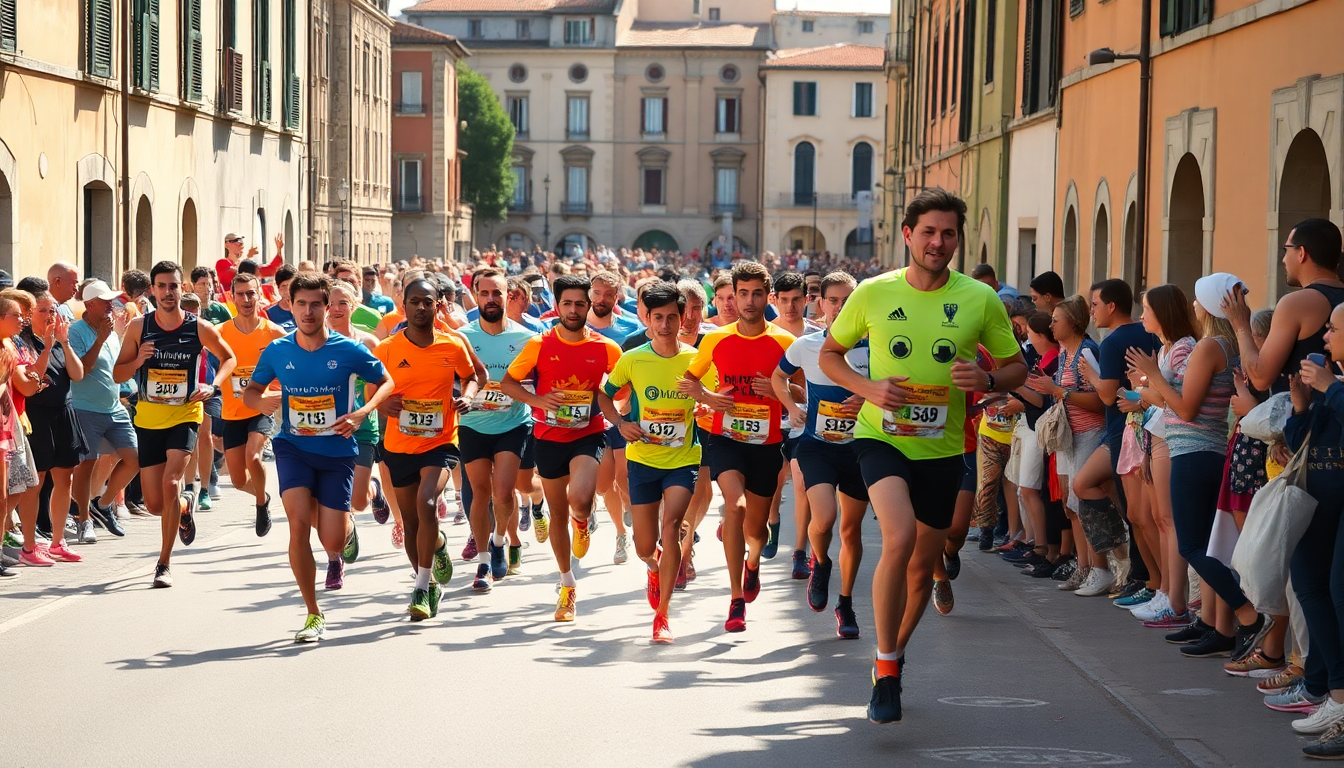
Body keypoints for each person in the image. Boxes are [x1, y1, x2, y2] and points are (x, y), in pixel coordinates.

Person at [818, 189, 1025, 724]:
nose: (938, 242)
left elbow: (1015, 369)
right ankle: (885, 669)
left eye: (948, 233)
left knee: (920, 573)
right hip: (880, 436)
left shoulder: (980, 299)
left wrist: (987, 379)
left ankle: (892, 656)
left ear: (958, 239)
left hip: (942, 446)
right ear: (908, 234)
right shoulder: (872, 292)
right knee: (900, 537)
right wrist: (868, 389)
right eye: (929, 231)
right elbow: (830, 355)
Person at [244, 273, 393, 641]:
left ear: (327, 308)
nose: (308, 312)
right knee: (296, 525)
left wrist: (364, 411)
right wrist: (262, 402)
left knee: (332, 543)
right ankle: (312, 613)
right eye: (300, 304)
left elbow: (387, 381)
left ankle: (347, 516)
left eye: (315, 305)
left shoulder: (347, 349)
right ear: (290, 306)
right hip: (292, 448)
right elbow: (251, 393)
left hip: (338, 451)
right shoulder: (278, 350)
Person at [1128, 281, 1269, 659]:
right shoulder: (1226, 346)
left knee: (1192, 545)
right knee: (1209, 545)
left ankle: (1247, 614)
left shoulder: (1208, 346)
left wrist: (1152, 377)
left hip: (1193, 453)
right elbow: (1178, 399)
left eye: (1198, 298)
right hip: (1205, 452)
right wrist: (1152, 387)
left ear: (1208, 306)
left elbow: (1185, 409)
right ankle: (1215, 625)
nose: (1193, 305)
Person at [680, 261, 795, 633]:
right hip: (726, 437)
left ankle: (754, 562)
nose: (748, 301)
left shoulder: (784, 342)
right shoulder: (715, 339)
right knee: (734, 506)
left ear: (768, 296)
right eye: (742, 293)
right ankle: (734, 599)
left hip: (766, 444)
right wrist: (710, 398)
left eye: (756, 293)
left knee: (756, 531)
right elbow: (689, 380)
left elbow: (806, 393)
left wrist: (782, 390)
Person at [501, 274, 621, 622]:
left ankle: (582, 521)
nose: (573, 310)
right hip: (548, 436)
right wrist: (538, 400)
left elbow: (623, 387)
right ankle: (567, 586)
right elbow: (508, 383)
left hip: (588, 433)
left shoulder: (606, 348)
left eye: (579, 304)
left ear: (589, 306)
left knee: (580, 499)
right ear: (557, 306)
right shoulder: (539, 344)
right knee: (556, 511)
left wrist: (605, 400)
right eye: (566, 303)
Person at [113, 261, 236, 589]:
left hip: (185, 415)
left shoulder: (199, 327)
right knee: (156, 504)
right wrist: (139, 359)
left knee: (171, 482)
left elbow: (229, 358)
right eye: (162, 286)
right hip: (148, 419)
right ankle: (184, 504)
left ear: (184, 289)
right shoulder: (139, 327)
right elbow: (118, 374)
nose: (169, 292)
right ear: (152, 290)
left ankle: (163, 562)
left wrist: (213, 386)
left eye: (174, 286)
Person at [597, 282, 699, 643]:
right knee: (644, 546)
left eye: (673, 317)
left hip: (684, 457)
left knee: (671, 526)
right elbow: (605, 396)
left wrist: (704, 399)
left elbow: (719, 399)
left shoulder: (695, 360)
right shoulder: (633, 359)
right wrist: (621, 423)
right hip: (642, 459)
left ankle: (663, 615)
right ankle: (654, 567)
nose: (666, 324)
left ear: (683, 317)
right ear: (648, 319)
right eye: (659, 318)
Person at [375, 277, 481, 616]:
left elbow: (474, 375)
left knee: (428, 501)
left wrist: (467, 396)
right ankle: (434, 560)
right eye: (415, 301)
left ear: (438, 305)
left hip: (440, 440)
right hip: (398, 444)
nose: (421, 307)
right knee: (411, 521)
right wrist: (382, 404)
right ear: (403, 306)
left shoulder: (452, 344)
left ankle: (420, 588)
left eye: (428, 301)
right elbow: (370, 387)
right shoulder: (388, 348)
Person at [773, 271, 869, 637]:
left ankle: (845, 604)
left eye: (849, 301)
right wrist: (792, 407)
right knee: (825, 518)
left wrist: (869, 397)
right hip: (817, 446)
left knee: (851, 530)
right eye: (834, 300)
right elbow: (779, 376)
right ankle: (821, 562)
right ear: (821, 303)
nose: (841, 307)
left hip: (861, 448)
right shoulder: (807, 345)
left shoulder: (876, 348)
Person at [1072, 278, 1162, 601]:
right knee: (1143, 512)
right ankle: (1145, 576)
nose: (1091, 311)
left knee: (1137, 513)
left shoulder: (1111, 343)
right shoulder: (1149, 332)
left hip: (1125, 433)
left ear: (1111, 306)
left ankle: (1144, 576)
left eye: (1095, 305)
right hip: (1149, 428)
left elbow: (1108, 396)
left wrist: (1092, 375)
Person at [458, 268, 538, 587]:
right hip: (472, 425)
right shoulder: (462, 336)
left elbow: (538, 379)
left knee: (504, 492)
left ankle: (500, 541)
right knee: (480, 492)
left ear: (510, 296)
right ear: (476, 296)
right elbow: (454, 377)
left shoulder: (525, 338)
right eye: (485, 293)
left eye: (497, 293)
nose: (491, 299)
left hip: (512, 423)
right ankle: (482, 562)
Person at [1289, 302, 1344, 755]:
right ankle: (1330, 692)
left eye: (1333, 329)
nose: (1325, 337)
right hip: (1315, 502)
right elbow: (1300, 443)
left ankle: (1336, 697)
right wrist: (1302, 405)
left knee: (1336, 593)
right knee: (1312, 587)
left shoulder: (1337, 386)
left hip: (1336, 505)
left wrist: (1330, 388)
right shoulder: (1334, 385)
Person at [69, 280, 139, 541]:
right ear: (89, 305)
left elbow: (115, 369)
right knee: (85, 465)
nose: (112, 305)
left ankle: (103, 505)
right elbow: (80, 372)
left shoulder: (110, 330)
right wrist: (98, 340)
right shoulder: (76, 332)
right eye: (106, 301)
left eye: (112, 301)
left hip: (114, 407)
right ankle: (83, 520)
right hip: (85, 408)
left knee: (135, 459)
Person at [217, 273, 286, 536]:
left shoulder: (274, 333)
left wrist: (276, 395)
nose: (246, 299)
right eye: (241, 294)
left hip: (260, 408)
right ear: (232, 297)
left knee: (253, 456)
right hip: (232, 412)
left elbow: (290, 369)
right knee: (236, 480)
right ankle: (263, 495)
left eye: (251, 293)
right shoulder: (221, 332)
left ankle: (260, 505)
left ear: (260, 295)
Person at [767, 271, 823, 575]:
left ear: (807, 299)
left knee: (802, 484)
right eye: (784, 300)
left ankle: (800, 551)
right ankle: (773, 520)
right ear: (774, 300)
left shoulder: (816, 335)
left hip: (807, 422)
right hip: (770, 420)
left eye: (796, 299)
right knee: (775, 480)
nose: (790, 306)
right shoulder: (766, 333)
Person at [217, 232, 284, 290]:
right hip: (229, 302)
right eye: (236, 240)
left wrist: (279, 250)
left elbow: (271, 270)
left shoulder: (248, 265)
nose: (240, 243)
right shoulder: (222, 263)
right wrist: (247, 257)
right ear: (227, 244)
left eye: (241, 241)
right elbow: (233, 275)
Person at [264, 263, 299, 333]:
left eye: (290, 285)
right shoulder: (269, 313)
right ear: (278, 289)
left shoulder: (306, 308)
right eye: (284, 286)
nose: (288, 290)